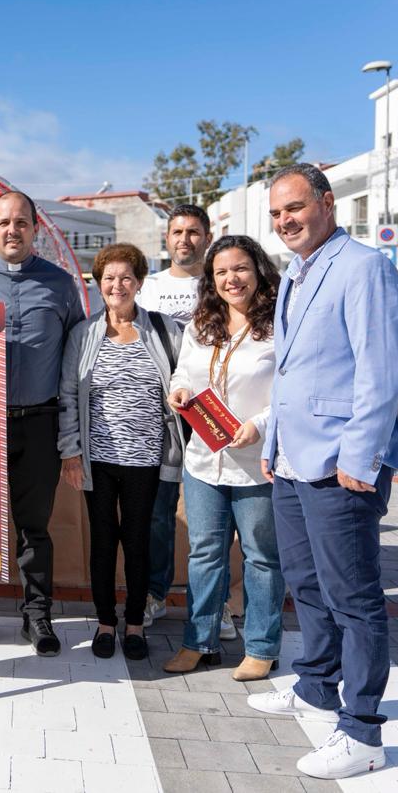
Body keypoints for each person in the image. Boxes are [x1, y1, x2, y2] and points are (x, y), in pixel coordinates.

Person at [247, 163, 398, 780]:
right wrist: (274, 442)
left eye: (294, 208)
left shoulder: (364, 268)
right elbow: (292, 372)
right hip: (294, 459)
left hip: (341, 463)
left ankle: (363, 731)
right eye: (276, 214)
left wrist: (360, 457)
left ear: (327, 203)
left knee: (354, 598)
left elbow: (381, 371)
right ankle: (316, 685)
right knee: (305, 581)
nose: (285, 221)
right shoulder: (296, 272)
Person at [0, 191, 85, 654]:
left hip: (40, 423)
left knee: (34, 526)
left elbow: (75, 358)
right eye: (4, 222)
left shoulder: (60, 285)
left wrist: (72, 436)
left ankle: (38, 615)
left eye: (21, 222)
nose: (13, 230)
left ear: (35, 229)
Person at [164, 235, 284, 679]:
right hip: (203, 462)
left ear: (259, 272)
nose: (232, 279)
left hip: (256, 465)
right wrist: (179, 390)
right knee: (204, 555)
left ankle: (262, 647)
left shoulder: (280, 326)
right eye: (221, 272)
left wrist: (261, 425)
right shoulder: (201, 324)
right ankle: (199, 642)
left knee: (260, 557)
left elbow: (292, 392)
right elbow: (183, 371)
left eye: (240, 269)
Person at [58, 243, 183, 660]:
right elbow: (68, 396)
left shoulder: (164, 331)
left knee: (138, 541)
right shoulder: (83, 335)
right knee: (102, 542)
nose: (117, 285)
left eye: (126, 277)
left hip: (147, 460)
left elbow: (185, 381)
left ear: (139, 282)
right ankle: (105, 623)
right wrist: (70, 453)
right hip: (98, 460)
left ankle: (134, 624)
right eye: (109, 278)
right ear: (98, 284)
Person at [136, 204, 234, 638]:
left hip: (211, 411)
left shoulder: (222, 282)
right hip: (160, 414)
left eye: (193, 232)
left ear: (207, 237)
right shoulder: (149, 287)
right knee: (159, 513)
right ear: (167, 238)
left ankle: (216, 603)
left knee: (215, 516)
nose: (184, 240)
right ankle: (155, 593)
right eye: (177, 232)